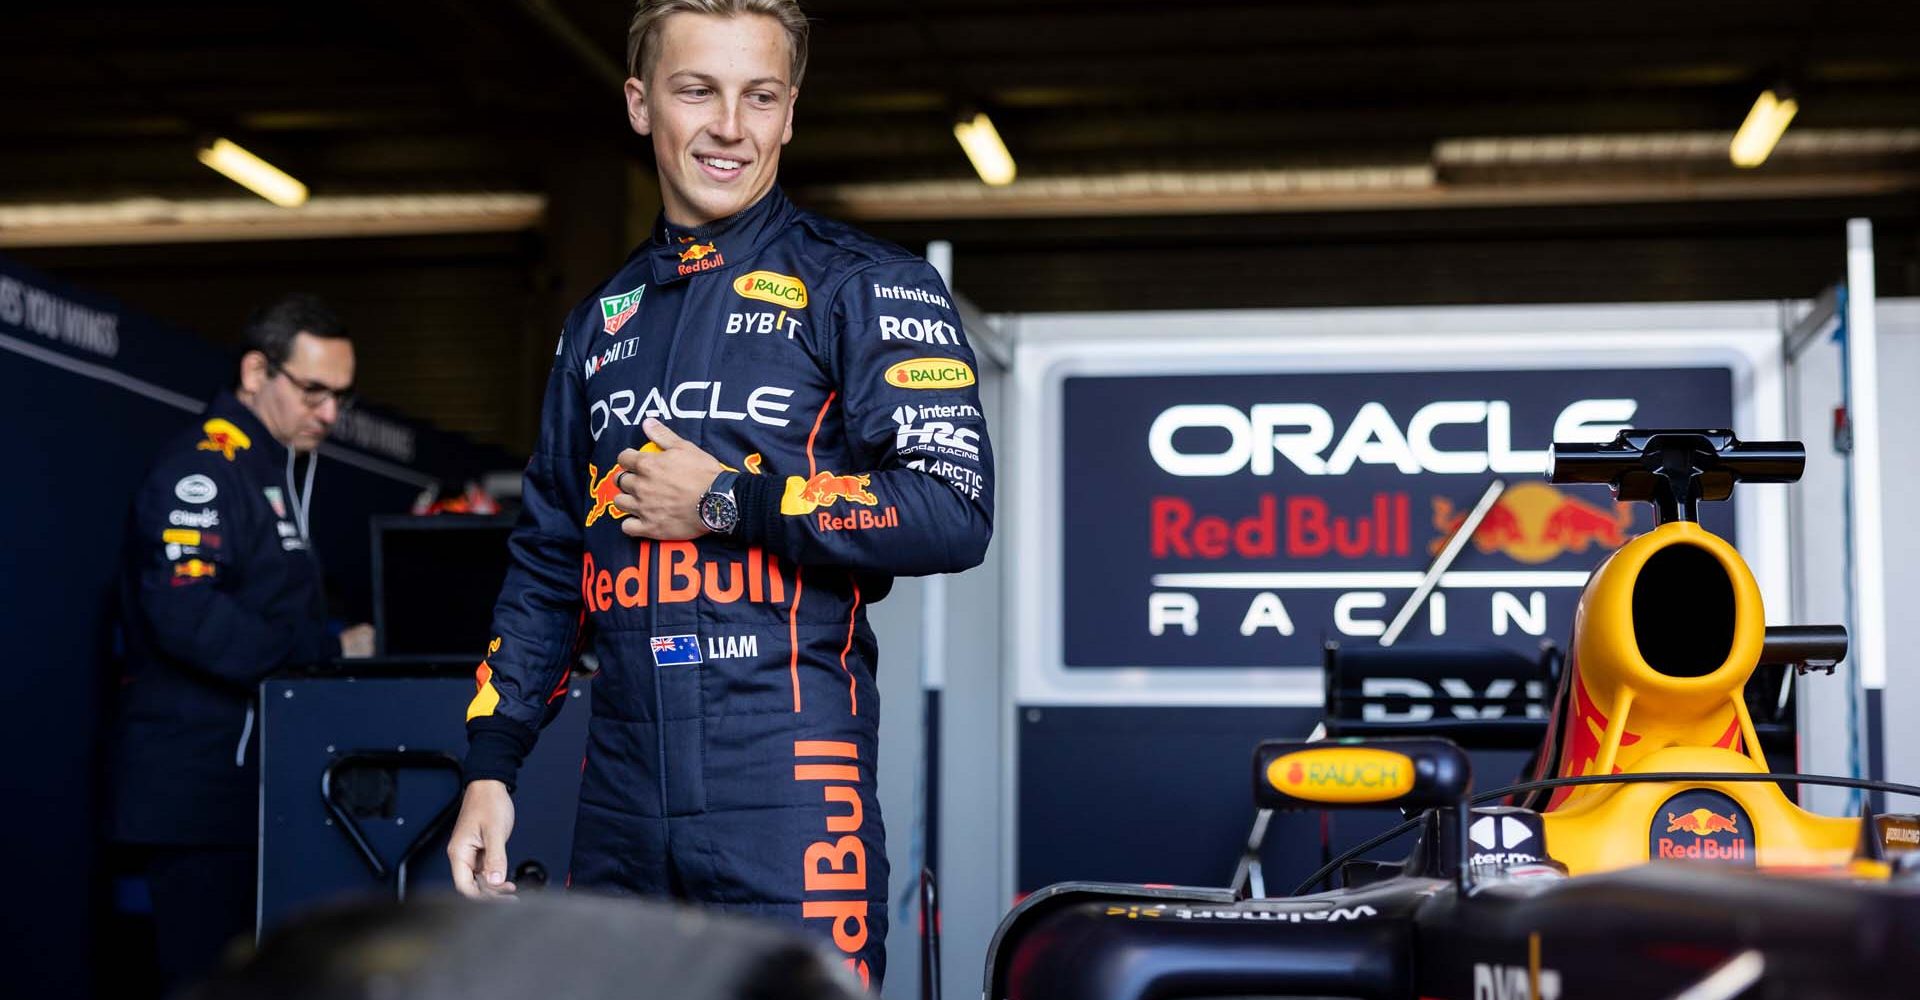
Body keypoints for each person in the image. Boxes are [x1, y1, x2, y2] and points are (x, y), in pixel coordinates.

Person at [445, 0, 994, 989]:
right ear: (639, 103)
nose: (730, 126)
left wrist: (732, 501)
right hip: (616, 782)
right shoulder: (594, 326)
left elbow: (952, 509)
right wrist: (492, 763)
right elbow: (546, 560)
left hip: (787, 772)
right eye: (698, 90)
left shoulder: (867, 285)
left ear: (790, 115)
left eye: (761, 96)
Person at [113, 293, 375, 990]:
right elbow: (185, 612)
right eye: (314, 391)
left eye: (339, 397)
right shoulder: (204, 468)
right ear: (257, 371)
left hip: (245, 791)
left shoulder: (267, 467)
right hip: (196, 799)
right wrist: (321, 654)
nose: (328, 414)